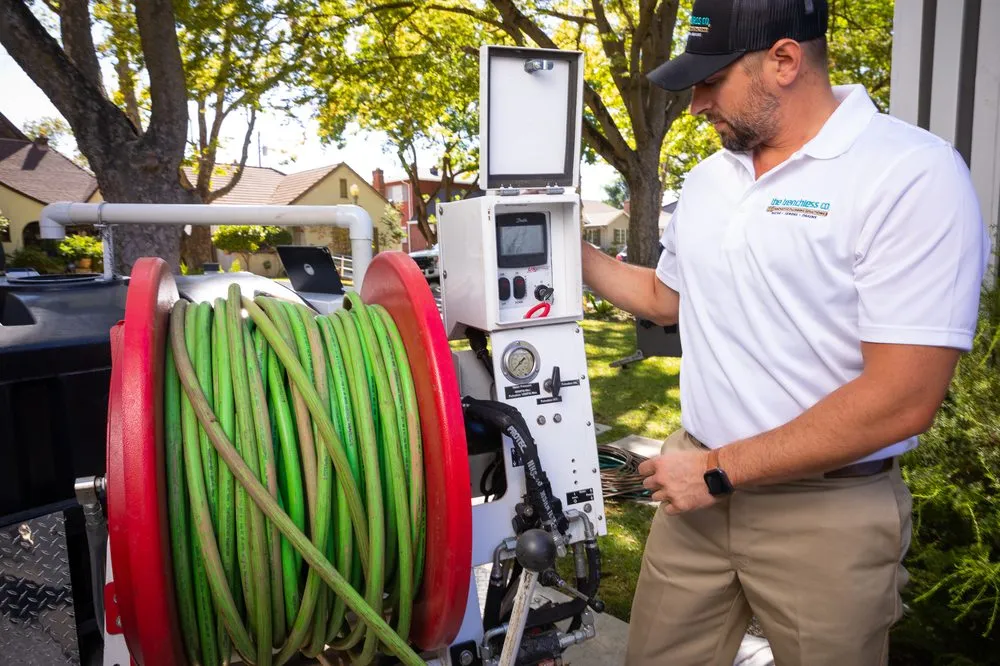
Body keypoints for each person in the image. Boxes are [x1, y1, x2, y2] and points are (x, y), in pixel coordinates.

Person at [580, 0, 993, 664]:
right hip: (698, 495)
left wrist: (716, 472)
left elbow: (902, 397)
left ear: (783, 60)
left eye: (710, 81)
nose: (695, 106)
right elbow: (664, 300)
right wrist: (568, 248)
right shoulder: (710, 180)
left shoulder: (909, 173)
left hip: (823, 513)